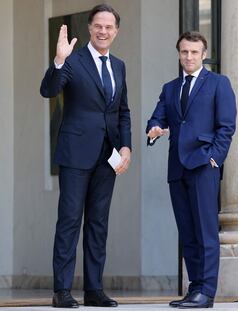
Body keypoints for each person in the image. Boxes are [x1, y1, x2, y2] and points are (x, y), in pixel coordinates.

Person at [40, 4, 131, 308]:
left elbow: (122, 112)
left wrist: (126, 147)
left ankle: (94, 289)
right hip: (76, 153)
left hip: (108, 155)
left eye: (109, 27)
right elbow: (48, 90)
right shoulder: (73, 60)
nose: (103, 31)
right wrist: (58, 60)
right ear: (90, 28)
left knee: (98, 224)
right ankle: (62, 290)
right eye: (98, 26)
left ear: (116, 32)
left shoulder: (119, 65)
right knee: (69, 221)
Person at [146, 31, 236, 309]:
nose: (189, 57)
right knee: (187, 232)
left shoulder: (218, 83)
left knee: (205, 230)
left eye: (194, 52)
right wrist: (153, 129)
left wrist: (214, 159)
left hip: (203, 165)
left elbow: (227, 126)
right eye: (184, 52)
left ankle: (207, 292)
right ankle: (194, 288)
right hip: (177, 167)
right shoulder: (170, 87)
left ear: (203, 54)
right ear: (178, 54)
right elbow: (157, 116)